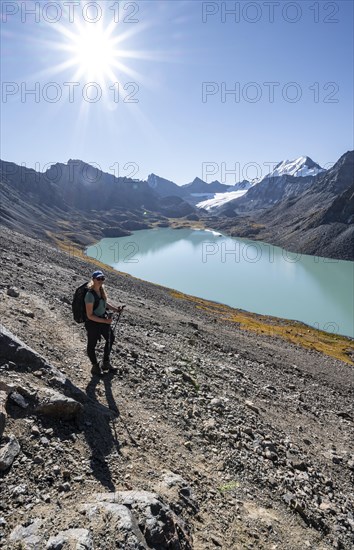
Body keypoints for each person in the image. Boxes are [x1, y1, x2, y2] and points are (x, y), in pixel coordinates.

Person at [84, 270, 124, 375]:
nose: (101, 281)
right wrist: (105, 321)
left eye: (102, 278)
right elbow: (89, 315)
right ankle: (95, 366)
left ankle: (106, 363)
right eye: (98, 278)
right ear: (93, 279)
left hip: (103, 321)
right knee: (91, 345)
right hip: (93, 323)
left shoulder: (101, 291)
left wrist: (116, 309)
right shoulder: (89, 295)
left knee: (111, 338)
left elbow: (104, 304)